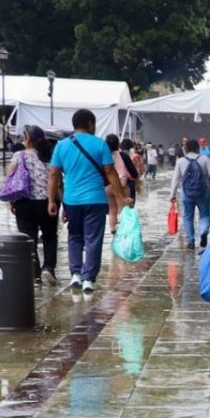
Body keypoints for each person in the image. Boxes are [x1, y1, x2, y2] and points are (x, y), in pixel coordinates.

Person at [48, 109, 133, 294]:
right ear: (90, 124)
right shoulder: (100, 144)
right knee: (93, 239)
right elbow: (110, 172)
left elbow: (54, 175)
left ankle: (75, 274)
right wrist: (122, 197)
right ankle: (89, 279)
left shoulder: (61, 146)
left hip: (71, 201)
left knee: (74, 236)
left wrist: (51, 201)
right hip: (95, 199)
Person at [7, 125, 58, 285]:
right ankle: (49, 268)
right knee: (50, 237)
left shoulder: (18, 155)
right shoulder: (50, 156)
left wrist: (11, 201)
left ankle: (35, 275)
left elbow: (11, 179)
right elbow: (57, 180)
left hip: (24, 203)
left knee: (29, 239)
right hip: (47, 202)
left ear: (28, 139)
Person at [170, 139, 210, 251]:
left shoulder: (181, 161)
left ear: (186, 148)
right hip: (203, 191)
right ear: (198, 148)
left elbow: (176, 179)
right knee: (204, 214)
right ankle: (203, 231)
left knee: (188, 216)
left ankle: (190, 241)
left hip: (186, 193)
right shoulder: (204, 159)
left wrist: (172, 194)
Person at [105, 134, 136, 232]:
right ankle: (123, 232)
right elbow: (133, 172)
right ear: (118, 144)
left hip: (107, 186)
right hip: (121, 186)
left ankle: (113, 231)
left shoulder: (104, 156)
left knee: (112, 210)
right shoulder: (123, 155)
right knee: (123, 210)